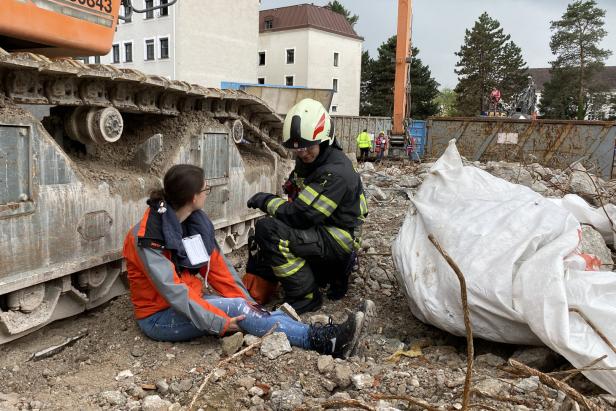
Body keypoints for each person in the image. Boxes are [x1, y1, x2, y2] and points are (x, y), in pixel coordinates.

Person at [123, 164, 368, 358]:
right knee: (240, 312)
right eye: (206, 190)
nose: (207, 194)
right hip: (159, 317)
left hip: (190, 299)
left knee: (248, 310)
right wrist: (219, 322)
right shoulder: (147, 238)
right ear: (193, 197)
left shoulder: (191, 222)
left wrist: (251, 305)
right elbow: (174, 292)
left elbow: (219, 270)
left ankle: (310, 330)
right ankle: (327, 342)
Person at [243, 99, 369, 314]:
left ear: (324, 139)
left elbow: (300, 216)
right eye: (296, 148)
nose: (302, 153)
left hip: (337, 239)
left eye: (307, 146)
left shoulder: (335, 172)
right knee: (265, 235)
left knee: (269, 230)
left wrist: (265, 200)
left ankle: (306, 296)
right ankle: (258, 291)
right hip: (323, 230)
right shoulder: (313, 158)